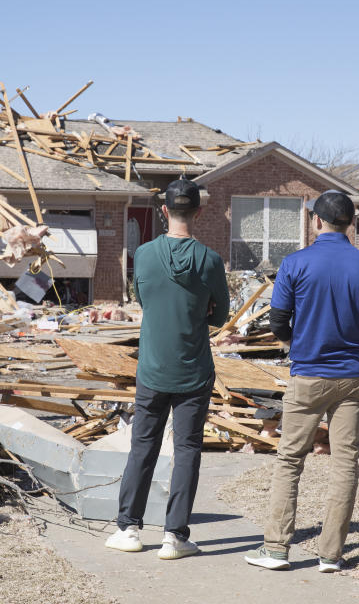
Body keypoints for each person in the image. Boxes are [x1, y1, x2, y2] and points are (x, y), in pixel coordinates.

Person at [244, 189, 359, 573]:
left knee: (290, 460)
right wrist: (357, 338)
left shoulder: (294, 263)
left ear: (315, 221)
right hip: (352, 376)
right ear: (352, 224)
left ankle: (276, 549)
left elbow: (277, 322)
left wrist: (300, 340)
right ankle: (330, 554)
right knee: (345, 462)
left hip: (308, 373)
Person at [105, 179, 229, 560]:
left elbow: (143, 298)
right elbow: (220, 316)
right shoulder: (209, 261)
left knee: (143, 445)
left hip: (153, 368)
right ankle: (174, 536)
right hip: (193, 370)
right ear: (199, 212)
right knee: (188, 449)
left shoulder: (142, 255)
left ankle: (128, 528)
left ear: (164, 211)